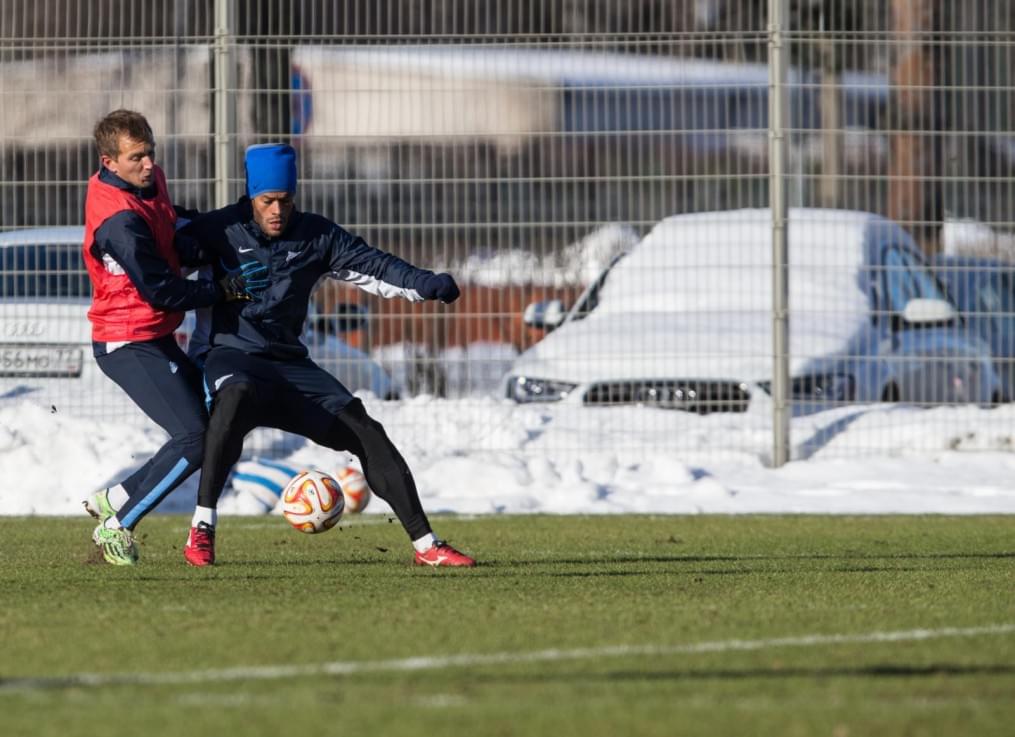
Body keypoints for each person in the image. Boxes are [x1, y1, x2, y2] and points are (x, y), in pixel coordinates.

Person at [179, 143, 475, 568]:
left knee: (366, 430)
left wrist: (425, 283)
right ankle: (202, 529)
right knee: (235, 395)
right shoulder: (218, 229)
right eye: (267, 201)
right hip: (230, 356)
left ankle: (427, 545)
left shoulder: (316, 234)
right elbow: (157, 253)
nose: (277, 210)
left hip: (290, 366)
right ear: (251, 197)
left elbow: (374, 265)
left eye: (285, 200)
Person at [80, 109, 255, 566]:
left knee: (214, 422)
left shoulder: (148, 180)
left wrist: (232, 219)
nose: (147, 164)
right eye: (135, 157)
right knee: (194, 439)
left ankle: (115, 497)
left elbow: (173, 223)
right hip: (125, 342)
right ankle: (117, 526)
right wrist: (221, 289)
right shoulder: (118, 221)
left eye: (150, 153)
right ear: (108, 162)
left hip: (152, 335)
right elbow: (160, 289)